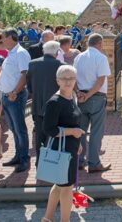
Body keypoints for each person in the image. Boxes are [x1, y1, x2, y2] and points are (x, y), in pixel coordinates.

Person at [42, 65, 84, 222]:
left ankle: (47, 218)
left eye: (71, 78)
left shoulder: (72, 96)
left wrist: (78, 142)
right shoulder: (54, 102)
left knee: (60, 185)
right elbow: (49, 129)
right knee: (66, 188)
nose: (68, 82)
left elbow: (73, 121)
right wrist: (72, 132)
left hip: (70, 148)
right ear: (57, 80)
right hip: (61, 151)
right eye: (64, 78)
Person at [74, 33, 111, 173]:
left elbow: (73, 77)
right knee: (96, 132)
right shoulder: (101, 58)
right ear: (99, 43)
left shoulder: (78, 57)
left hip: (81, 97)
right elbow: (100, 81)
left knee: (81, 131)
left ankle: (79, 160)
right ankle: (94, 163)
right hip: (96, 97)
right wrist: (88, 95)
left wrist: (78, 93)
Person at [0, 28, 31, 172]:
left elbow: (25, 74)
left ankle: (24, 159)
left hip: (15, 96)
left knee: (20, 129)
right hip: (7, 96)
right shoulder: (12, 53)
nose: (1, 40)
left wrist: (15, 92)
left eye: (3, 37)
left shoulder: (21, 53)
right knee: (14, 129)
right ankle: (18, 156)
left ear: (11, 37)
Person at [26, 40, 63, 165]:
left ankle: (39, 162)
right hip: (56, 107)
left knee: (39, 136)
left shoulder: (32, 64)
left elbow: (29, 86)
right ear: (57, 52)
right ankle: (50, 164)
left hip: (38, 106)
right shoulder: (60, 65)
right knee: (53, 136)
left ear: (43, 51)